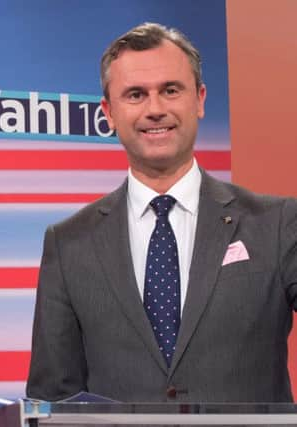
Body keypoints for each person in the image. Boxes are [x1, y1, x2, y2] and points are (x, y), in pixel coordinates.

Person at [26, 22, 297, 403]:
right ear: (109, 112)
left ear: (199, 99)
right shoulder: (69, 243)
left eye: (170, 90)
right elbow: (54, 396)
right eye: (135, 95)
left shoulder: (277, 223)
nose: (155, 109)